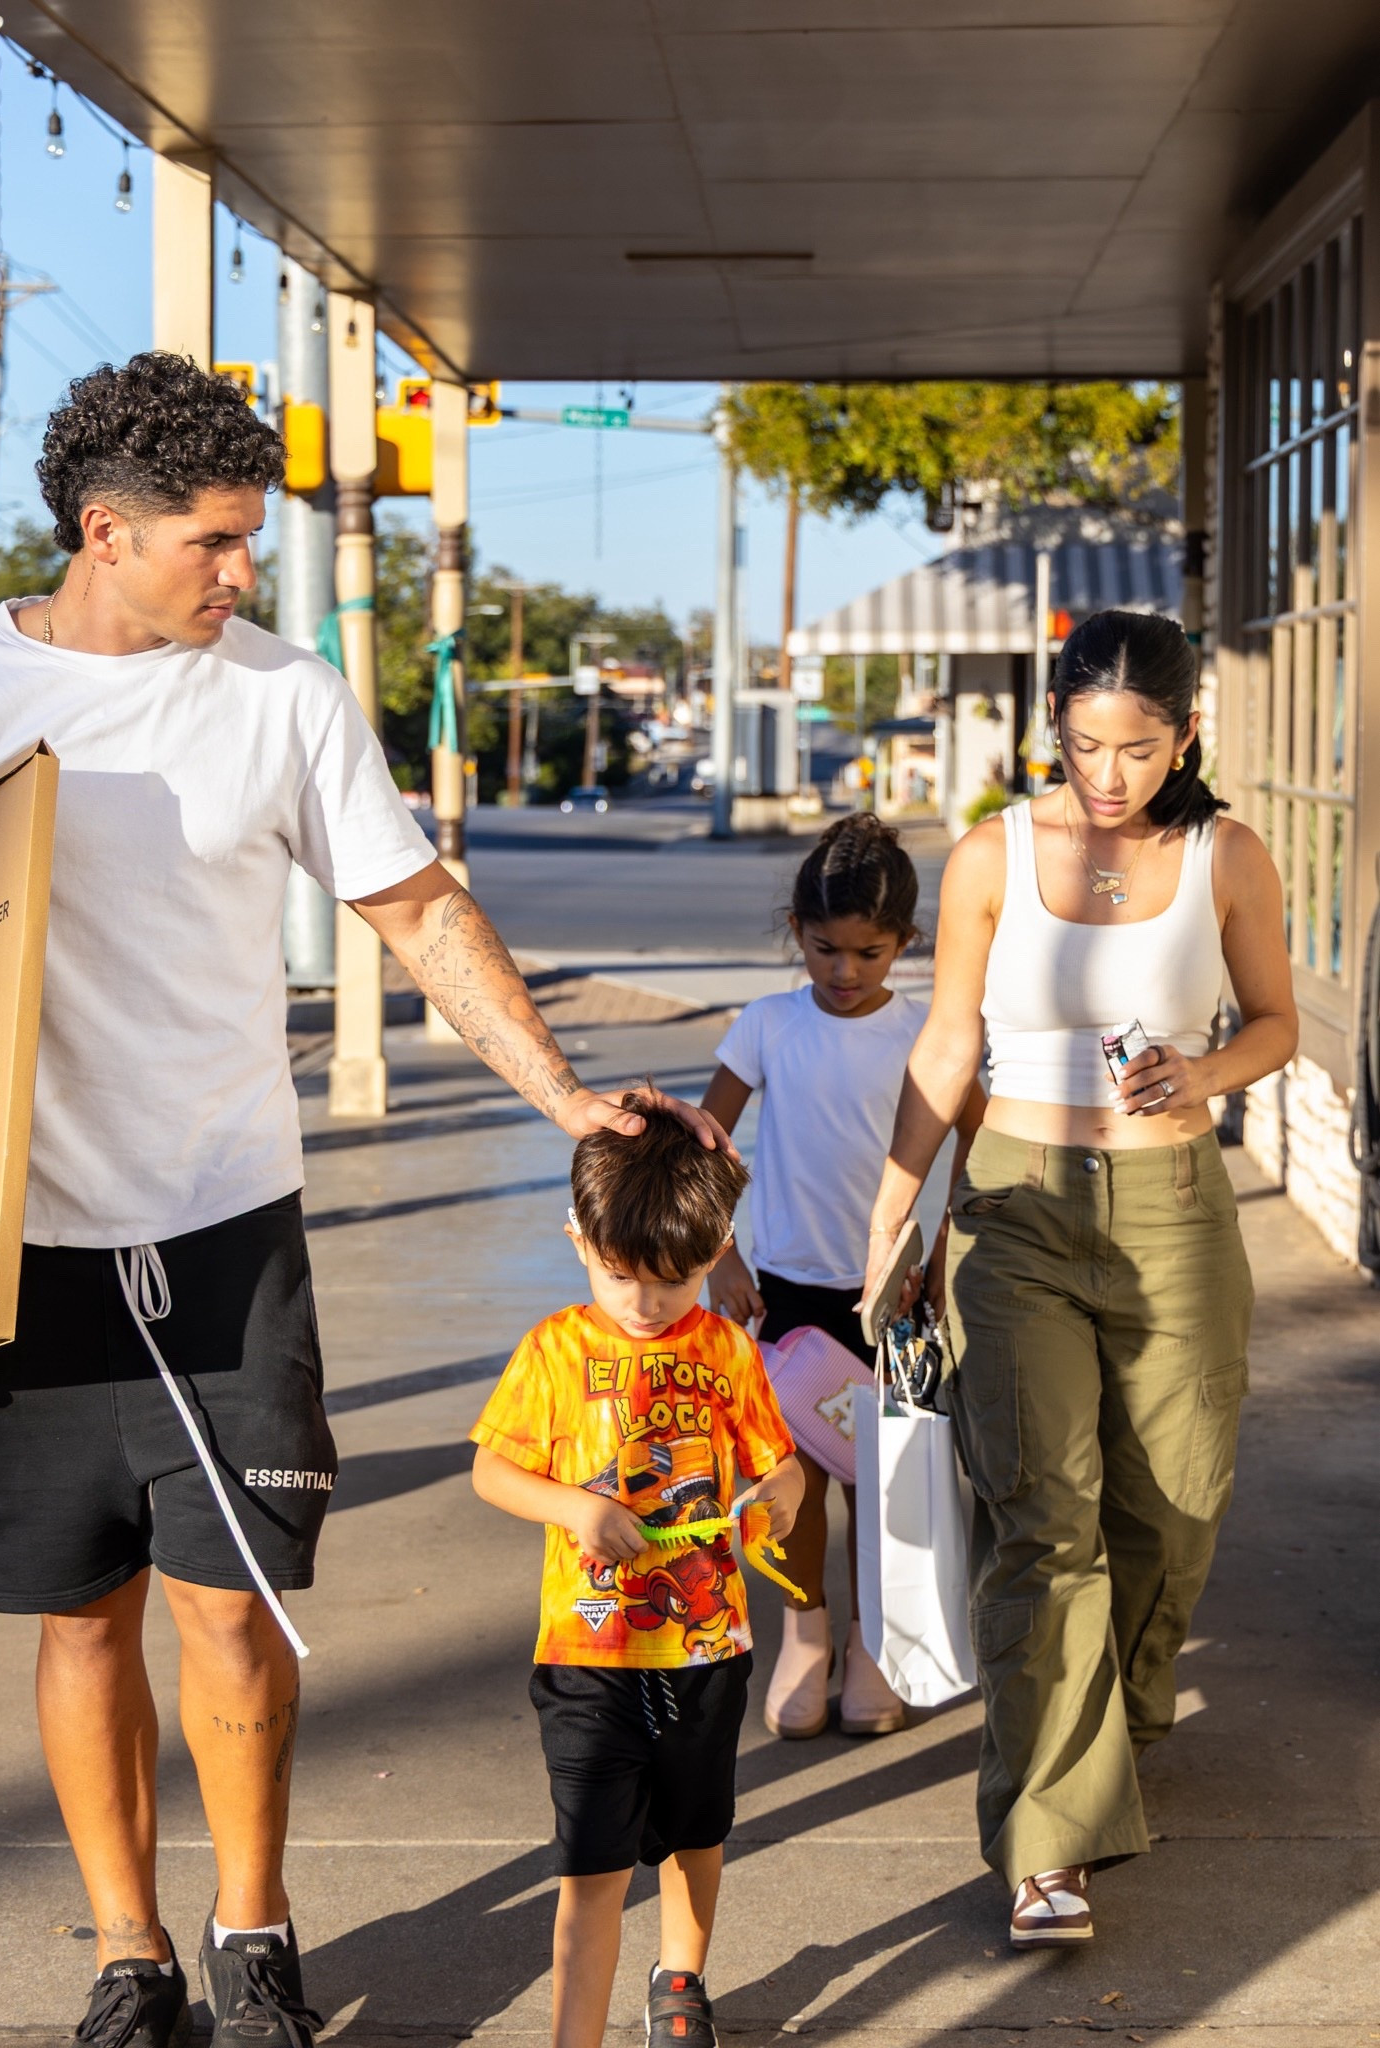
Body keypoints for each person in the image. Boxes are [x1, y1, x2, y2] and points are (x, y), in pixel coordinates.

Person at [0, 353, 730, 2048]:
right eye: (215, 543)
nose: (243, 574)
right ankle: (128, 1951)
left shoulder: (280, 695)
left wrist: (564, 1094)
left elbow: (414, 905)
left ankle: (251, 1934)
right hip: (9, 1240)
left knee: (233, 1605)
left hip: (229, 1225)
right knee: (76, 1615)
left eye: (250, 542)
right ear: (105, 530)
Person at [861, 609, 1297, 1950]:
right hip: (1014, 1205)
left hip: (1172, 1207)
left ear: (1184, 740)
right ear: (1052, 726)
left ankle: (1114, 1720)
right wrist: (894, 1220)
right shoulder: (992, 852)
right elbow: (947, 1040)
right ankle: (1047, 1838)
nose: (1108, 776)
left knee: (1172, 1510)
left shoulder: (1226, 853)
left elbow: (1275, 1020)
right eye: (1084, 745)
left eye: (1138, 750)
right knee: (1044, 1516)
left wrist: (1206, 1072)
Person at [469, 1097, 804, 2048]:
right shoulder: (552, 1350)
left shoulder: (725, 1349)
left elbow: (776, 1461)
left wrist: (783, 1495)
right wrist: (576, 1507)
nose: (646, 1305)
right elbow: (493, 1470)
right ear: (578, 1239)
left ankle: (682, 1980)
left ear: (718, 1248)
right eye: (622, 1277)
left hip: (704, 1649)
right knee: (589, 1859)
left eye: (676, 1280)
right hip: (586, 1654)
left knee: (696, 1831)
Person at [701, 815, 984, 1740]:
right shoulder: (766, 1027)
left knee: (883, 1480)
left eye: (870, 951)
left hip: (897, 1298)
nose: (845, 971)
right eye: (825, 949)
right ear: (796, 931)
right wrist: (722, 1256)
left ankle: (873, 1643)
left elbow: (980, 1146)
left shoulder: (929, 1035)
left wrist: (944, 1254)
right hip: (783, 1294)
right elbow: (701, 1152)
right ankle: (804, 1636)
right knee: (790, 1479)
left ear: (907, 942)